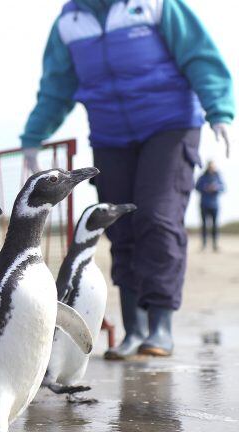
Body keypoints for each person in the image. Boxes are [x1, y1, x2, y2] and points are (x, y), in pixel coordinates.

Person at [20, 0, 234, 358]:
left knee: (156, 217)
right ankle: (134, 330)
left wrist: (219, 110)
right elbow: (57, 85)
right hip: (110, 136)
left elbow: (200, 56)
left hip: (170, 126)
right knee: (120, 227)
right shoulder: (70, 20)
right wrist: (33, 136)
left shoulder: (155, 5)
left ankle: (160, 327)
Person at [195, 161, 225, 251]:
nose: (212, 168)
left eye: (213, 166)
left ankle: (215, 245)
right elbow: (197, 187)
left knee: (215, 226)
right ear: (208, 167)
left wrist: (216, 188)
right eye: (210, 166)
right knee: (204, 225)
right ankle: (204, 244)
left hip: (214, 205)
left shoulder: (218, 176)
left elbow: (223, 188)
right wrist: (205, 188)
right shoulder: (202, 177)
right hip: (204, 204)